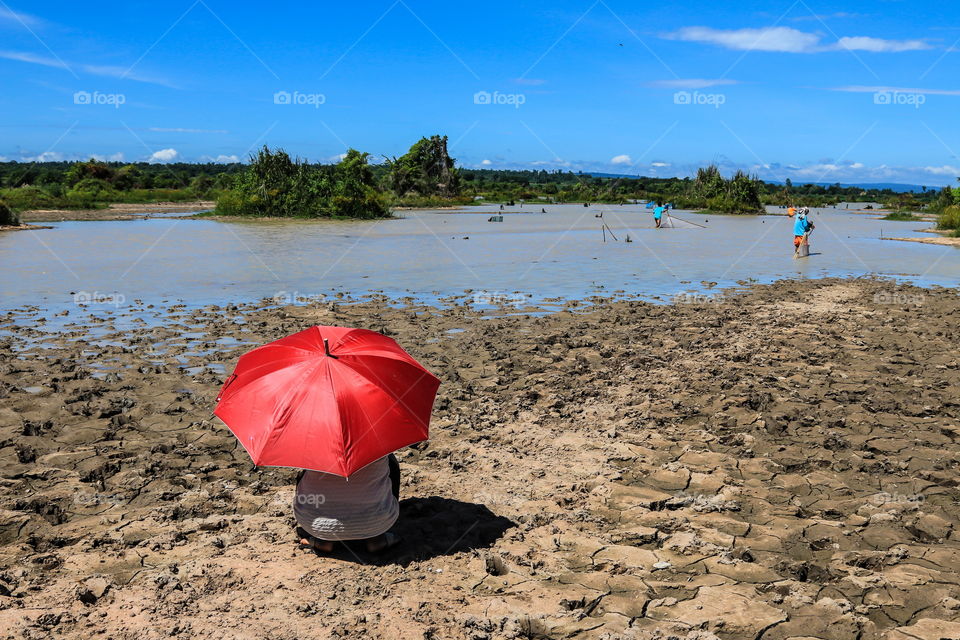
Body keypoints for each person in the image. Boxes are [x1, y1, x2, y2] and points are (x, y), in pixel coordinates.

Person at [294, 453, 402, 554]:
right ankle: (376, 540)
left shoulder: (313, 444)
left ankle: (323, 541)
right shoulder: (377, 444)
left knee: (304, 473)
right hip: (376, 522)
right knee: (390, 462)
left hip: (315, 522)